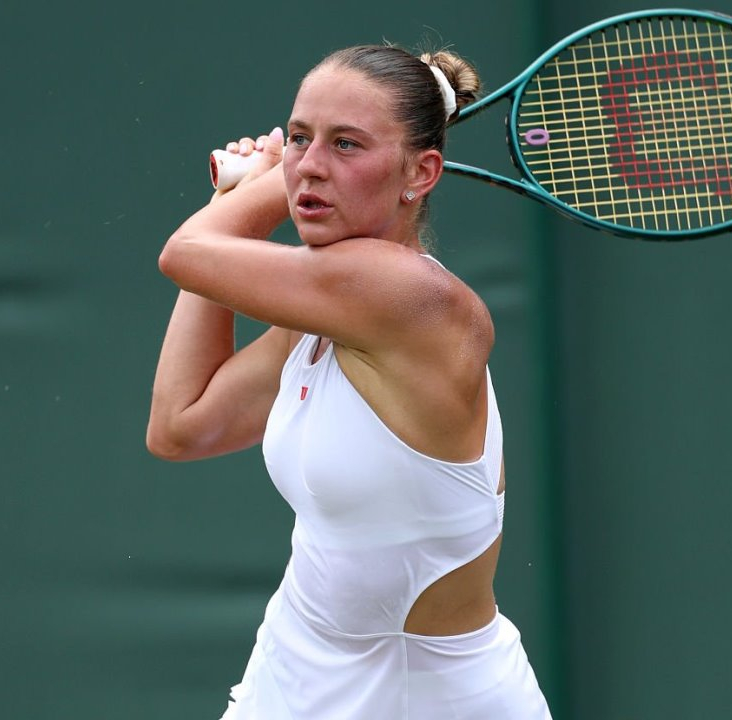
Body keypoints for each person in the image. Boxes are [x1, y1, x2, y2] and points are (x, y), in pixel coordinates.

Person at [146, 43, 553, 719]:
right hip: (291, 675)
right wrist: (234, 201)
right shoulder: (325, 314)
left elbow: (186, 252)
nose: (312, 163)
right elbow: (183, 427)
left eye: (346, 144)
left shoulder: (406, 295)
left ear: (421, 173)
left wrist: (264, 187)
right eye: (299, 137)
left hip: (428, 701)